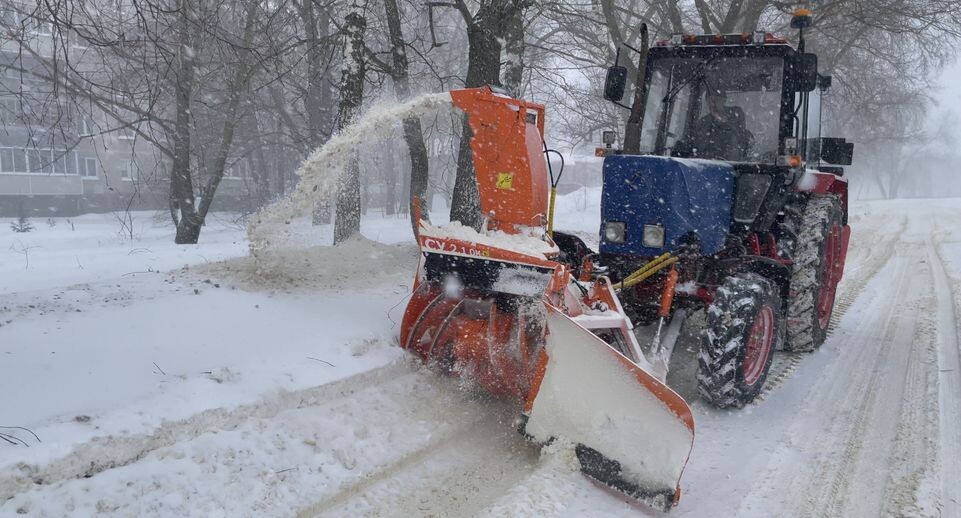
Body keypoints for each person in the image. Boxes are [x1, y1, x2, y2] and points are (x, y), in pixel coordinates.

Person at [676, 93, 753, 161]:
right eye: (709, 101)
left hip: (731, 168)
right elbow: (689, 144)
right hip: (701, 168)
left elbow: (739, 139)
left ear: (724, 100)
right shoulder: (701, 124)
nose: (712, 104)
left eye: (716, 100)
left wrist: (723, 122)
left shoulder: (736, 117)